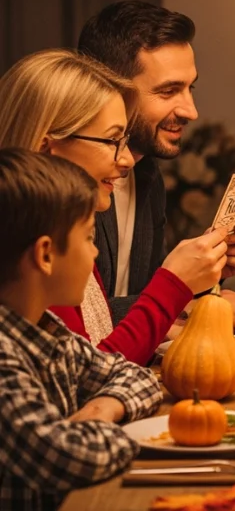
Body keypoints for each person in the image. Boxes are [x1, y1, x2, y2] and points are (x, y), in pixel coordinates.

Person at [0, 49, 228, 364]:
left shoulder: (68, 225)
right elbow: (92, 376)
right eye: (111, 141)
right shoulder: (33, 254)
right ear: (46, 147)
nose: (124, 160)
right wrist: (173, 283)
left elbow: (91, 362)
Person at [77, 1, 235, 333]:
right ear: (110, 89)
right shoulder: (70, 182)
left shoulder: (147, 172)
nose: (191, 110)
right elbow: (77, 321)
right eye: (168, 91)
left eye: (189, 88)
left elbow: (143, 291)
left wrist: (204, 271)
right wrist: (185, 301)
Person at [0, 148, 162, 510]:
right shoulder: (4, 358)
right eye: (88, 238)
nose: (94, 255)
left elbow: (136, 377)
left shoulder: (48, 332)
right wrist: (130, 434)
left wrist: (105, 407)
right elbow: (66, 458)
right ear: (45, 255)